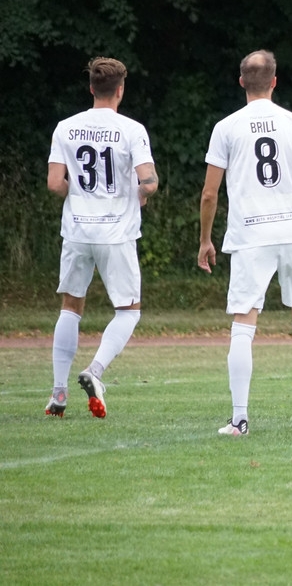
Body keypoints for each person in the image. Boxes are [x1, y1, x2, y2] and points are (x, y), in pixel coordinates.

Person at [198, 50, 292, 436]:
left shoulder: (226, 127)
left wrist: (205, 239)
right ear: (274, 81)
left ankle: (239, 419)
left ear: (242, 81)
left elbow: (209, 193)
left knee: (244, 322)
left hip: (250, 235)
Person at [45, 57, 159, 419]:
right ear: (120, 90)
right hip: (116, 231)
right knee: (128, 310)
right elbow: (149, 181)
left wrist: (80, 194)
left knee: (70, 306)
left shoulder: (66, 127)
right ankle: (94, 371)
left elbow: (55, 184)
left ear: (92, 88)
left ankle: (58, 393)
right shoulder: (131, 129)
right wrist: (140, 193)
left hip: (77, 228)